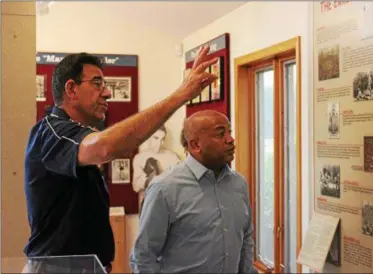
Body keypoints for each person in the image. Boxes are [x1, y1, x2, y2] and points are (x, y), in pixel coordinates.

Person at [24, 46, 218, 273]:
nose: (107, 93)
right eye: (97, 84)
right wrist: (181, 95)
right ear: (71, 89)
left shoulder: (74, 134)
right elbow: (104, 147)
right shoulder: (51, 132)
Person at [130, 110, 257, 273]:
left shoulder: (239, 184)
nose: (230, 139)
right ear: (195, 145)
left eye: (229, 132)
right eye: (220, 134)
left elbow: (245, 238)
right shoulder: (164, 189)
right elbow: (143, 258)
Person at [132, 124, 181, 194]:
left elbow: (180, 183)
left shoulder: (173, 158)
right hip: (148, 202)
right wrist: (148, 176)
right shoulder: (140, 158)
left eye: (162, 139)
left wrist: (162, 174)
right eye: (156, 138)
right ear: (148, 137)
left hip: (167, 201)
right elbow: (136, 187)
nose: (159, 143)